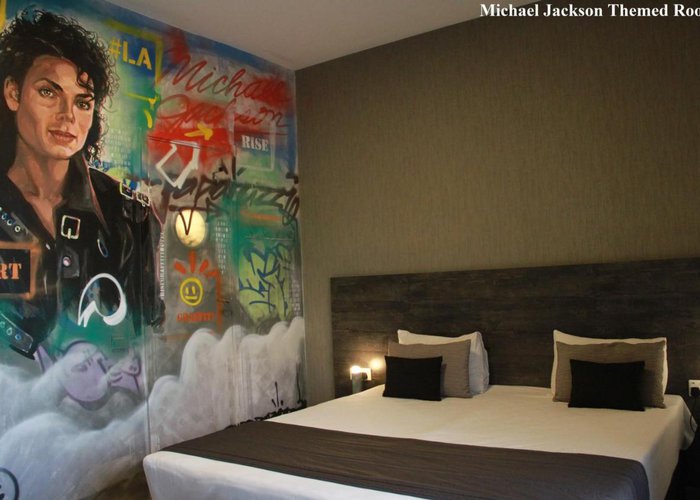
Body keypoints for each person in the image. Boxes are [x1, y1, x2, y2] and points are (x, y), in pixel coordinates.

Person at [0, 8, 163, 359]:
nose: (68, 115)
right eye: (48, 92)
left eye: (83, 102)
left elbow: (149, 341)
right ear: (13, 93)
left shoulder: (130, 216)